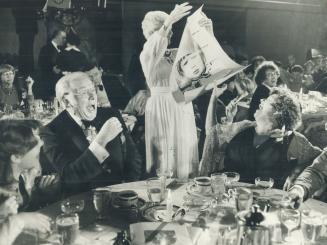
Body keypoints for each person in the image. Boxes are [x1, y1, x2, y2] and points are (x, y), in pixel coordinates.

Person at [40, 72, 142, 195]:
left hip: (121, 196)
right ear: (66, 102)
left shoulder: (111, 114)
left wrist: (127, 187)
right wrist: (101, 140)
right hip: (84, 201)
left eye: (92, 90)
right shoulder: (51, 132)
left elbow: (132, 157)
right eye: (83, 92)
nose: (92, 96)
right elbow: (69, 176)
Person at [200, 88, 321, 189]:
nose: (261, 102)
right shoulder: (243, 127)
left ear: (278, 113)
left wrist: (297, 173)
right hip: (226, 194)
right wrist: (214, 97)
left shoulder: (293, 140)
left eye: (266, 102)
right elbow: (212, 134)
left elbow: (320, 160)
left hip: (263, 205)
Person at [140, 3, 199, 179]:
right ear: (153, 33)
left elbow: (194, 59)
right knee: (164, 156)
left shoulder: (174, 53)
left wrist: (200, 30)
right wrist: (168, 22)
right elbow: (155, 45)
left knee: (184, 154)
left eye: (172, 28)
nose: (171, 32)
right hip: (161, 104)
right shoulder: (147, 54)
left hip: (180, 101)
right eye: (167, 28)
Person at [37, 30, 66, 100]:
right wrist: (51, 69)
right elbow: (41, 63)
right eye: (63, 38)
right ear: (57, 37)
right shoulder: (45, 48)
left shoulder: (62, 49)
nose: (65, 40)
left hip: (60, 83)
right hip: (49, 83)